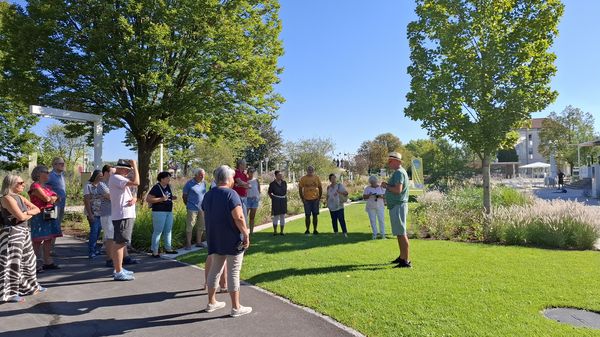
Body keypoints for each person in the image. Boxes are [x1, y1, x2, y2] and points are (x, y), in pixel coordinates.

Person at [202, 165, 252, 317]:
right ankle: (236, 307)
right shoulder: (231, 194)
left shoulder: (209, 195)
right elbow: (239, 216)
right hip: (231, 239)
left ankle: (211, 302)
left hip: (215, 238)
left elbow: (205, 212)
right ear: (228, 178)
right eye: (232, 177)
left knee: (215, 270)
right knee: (233, 272)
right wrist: (245, 234)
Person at [1, 175, 45, 303]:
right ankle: (9, 293)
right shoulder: (6, 198)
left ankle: (29, 286)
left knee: (29, 260)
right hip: (12, 233)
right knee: (12, 263)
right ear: (11, 184)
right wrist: (26, 214)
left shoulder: (19, 197)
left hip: (23, 231)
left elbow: (36, 209)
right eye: (20, 182)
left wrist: (26, 214)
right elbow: (20, 217)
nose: (23, 184)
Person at [109, 159, 139, 281]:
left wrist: (134, 198)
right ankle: (118, 271)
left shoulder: (118, 178)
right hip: (122, 215)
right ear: (121, 169)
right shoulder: (117, 177)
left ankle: (119, 268)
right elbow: (136, 182)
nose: (128, 172)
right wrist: (135, 165)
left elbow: (131, 190)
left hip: (123, 214)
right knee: (120, 243)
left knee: (120, 243)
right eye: (126, 169)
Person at [381, 152, 411, 268]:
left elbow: (398, 190)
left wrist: (386, 186)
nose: (389, 163)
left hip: (398, 206)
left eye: (391, 160)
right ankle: (402, 257)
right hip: (397, 206)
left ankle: (405, 261)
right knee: (399, 232)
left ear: (398, 161)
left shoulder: (399, 173)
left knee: (401, 233)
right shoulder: (400, 172)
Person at [28, 165, 61, 271]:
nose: (48, 174)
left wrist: (52, 198)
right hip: (39, 215)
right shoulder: (35, 186)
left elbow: (58, 198)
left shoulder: (46, 187)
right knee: (37, 240)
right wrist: (52, 198)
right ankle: (35, 264)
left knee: (48, 239)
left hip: (49, 214)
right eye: (46, 172)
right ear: (39, 174)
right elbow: (47, 199)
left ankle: (48, 261)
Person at [146, 171, 178, 257]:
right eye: (167, 178)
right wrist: (161, 199)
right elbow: (148, 199)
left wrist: (172, 197)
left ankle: (168, 248)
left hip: (168, 211)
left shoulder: (167, 186)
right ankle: (154, 250)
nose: (169, 179)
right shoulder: (156, 187)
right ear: (162, 179)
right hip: (159, 212)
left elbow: (167, 197)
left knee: (168, 230)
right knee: (158, 231)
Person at [182, 168, 207, 250]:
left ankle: (198, 242)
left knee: (201, 225)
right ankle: (188, 244)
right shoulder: (189, 184)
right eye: (201, 174)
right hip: (192, 208)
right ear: (196, 175)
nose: (203, 176)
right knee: (190, 226)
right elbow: (184, 196)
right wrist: (188, 204)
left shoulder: (204, 183)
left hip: (202, 208)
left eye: (203, 174)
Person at [46, 157, 66, 256]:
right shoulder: (49, 176)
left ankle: (51, 249)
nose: (63, 165)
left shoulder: (62, 175)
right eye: (60, 163)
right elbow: (43, 188)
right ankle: (47, 250)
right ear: (54, 165)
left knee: (56, 226)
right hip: (52, 206)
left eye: (63, 163)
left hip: (61, 205)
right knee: (50, 226)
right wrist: (53, 195)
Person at [83, 170, 103, 258]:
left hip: (101, 212)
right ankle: (91, 251)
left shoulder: (102, 186)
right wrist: (90, 214)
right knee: (94, 231)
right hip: (92, 212)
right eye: (99, 176)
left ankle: (95, 249)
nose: (100, 177)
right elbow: (86, 200)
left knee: (98, 230)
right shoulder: (88, 186)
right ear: (95, 176)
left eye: (101, 176)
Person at [298, 165, 322, 235]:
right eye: (309, 170)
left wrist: (319, 198)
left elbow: (320, 188)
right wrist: (302, 199)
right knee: (307, 215)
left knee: (315, 215)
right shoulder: (303, 178)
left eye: (311, 170)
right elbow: (300, 189)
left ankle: (315, 230)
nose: (310, 171)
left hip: (315, 200)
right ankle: (307, 230)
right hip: (307, 200)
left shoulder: (316, 178)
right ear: (307, 170)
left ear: (313, 171)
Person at [99, 165, 114, 267]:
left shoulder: (111, 183)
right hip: (107, 214)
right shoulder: (101, 184)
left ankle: (114, 258)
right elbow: (110, 197)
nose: (114, 174)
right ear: (106, 173)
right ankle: (109, 259)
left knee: (113, 237)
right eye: (112, 172)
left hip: (114, 213)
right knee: (110, 237)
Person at [363, 175, 386, 239]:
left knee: (381, 220)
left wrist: (380, 196)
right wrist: (369, 195)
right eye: (371, 183)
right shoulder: (367, 188)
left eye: (374, 182)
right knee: (372, 221)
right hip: (371, 206)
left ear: (376, 181)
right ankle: (375, 234)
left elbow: (385, 196)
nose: (373, 184)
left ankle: (383, 234)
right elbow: (364, 197)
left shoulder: (381, 188)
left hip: (380, 206)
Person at [268, 170, 287, 235]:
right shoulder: (272, 184)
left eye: (281, 175)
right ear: (276, 176)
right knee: (276, 216)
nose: (281, 176)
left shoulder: (284, 182)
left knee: (282, 216)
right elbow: (269, 192)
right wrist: (273, 198)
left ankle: (282, 231)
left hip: (283, 200)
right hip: (276, 201)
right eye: (279, 175)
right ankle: (275, 231)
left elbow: (285, 191)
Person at [246, 167, 260, 235]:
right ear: (248, 172)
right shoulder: (245, 180)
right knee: (245, 215)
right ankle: (244, 231)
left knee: (252, 217)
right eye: (250, 172)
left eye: (252, 172)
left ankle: (251, 231)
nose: (251, 173)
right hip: (247, 199)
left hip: (255, 200)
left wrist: (257, 197)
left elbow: (258, 190)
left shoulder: (256, 180)